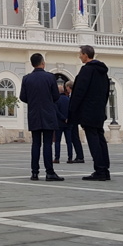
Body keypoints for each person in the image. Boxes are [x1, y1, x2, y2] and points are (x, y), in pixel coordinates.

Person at [68, 45, 111, 181]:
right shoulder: (102, 72)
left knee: (93, 140)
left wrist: (72, 110)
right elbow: (106, 92)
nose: (79, 56)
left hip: (88, 111)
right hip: (98, 110)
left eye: (80, 54)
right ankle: (105, 169)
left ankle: (99, 170)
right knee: (100, 139)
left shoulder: (87, 70)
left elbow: (79, 92)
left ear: (86, 55)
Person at [19, 53, 64, 182]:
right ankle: (49, 172)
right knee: (48, 144)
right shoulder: (50, 77)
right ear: (42, 63)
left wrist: (33, 101)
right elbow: (56, 96)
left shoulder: (26, 78)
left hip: (34, 114)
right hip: (48, 114)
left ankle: (34, 173)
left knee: (36, 144)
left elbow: (23, 97)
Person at [62, 81, 84, 163]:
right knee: (74, 138)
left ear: (68, 87)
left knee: (75, 138)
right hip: (74, 119)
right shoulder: (72, 95)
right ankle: (79, 155)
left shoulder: (73, 96)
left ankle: (80, 156)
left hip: (73, 120)